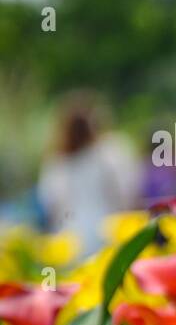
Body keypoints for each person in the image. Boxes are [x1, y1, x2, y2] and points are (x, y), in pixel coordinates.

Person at [37, 96, 139, 254]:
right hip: (106, 228)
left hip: (71, 234)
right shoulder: (106, 154)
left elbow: (50, 201)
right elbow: (125, 190)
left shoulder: (58, 162)